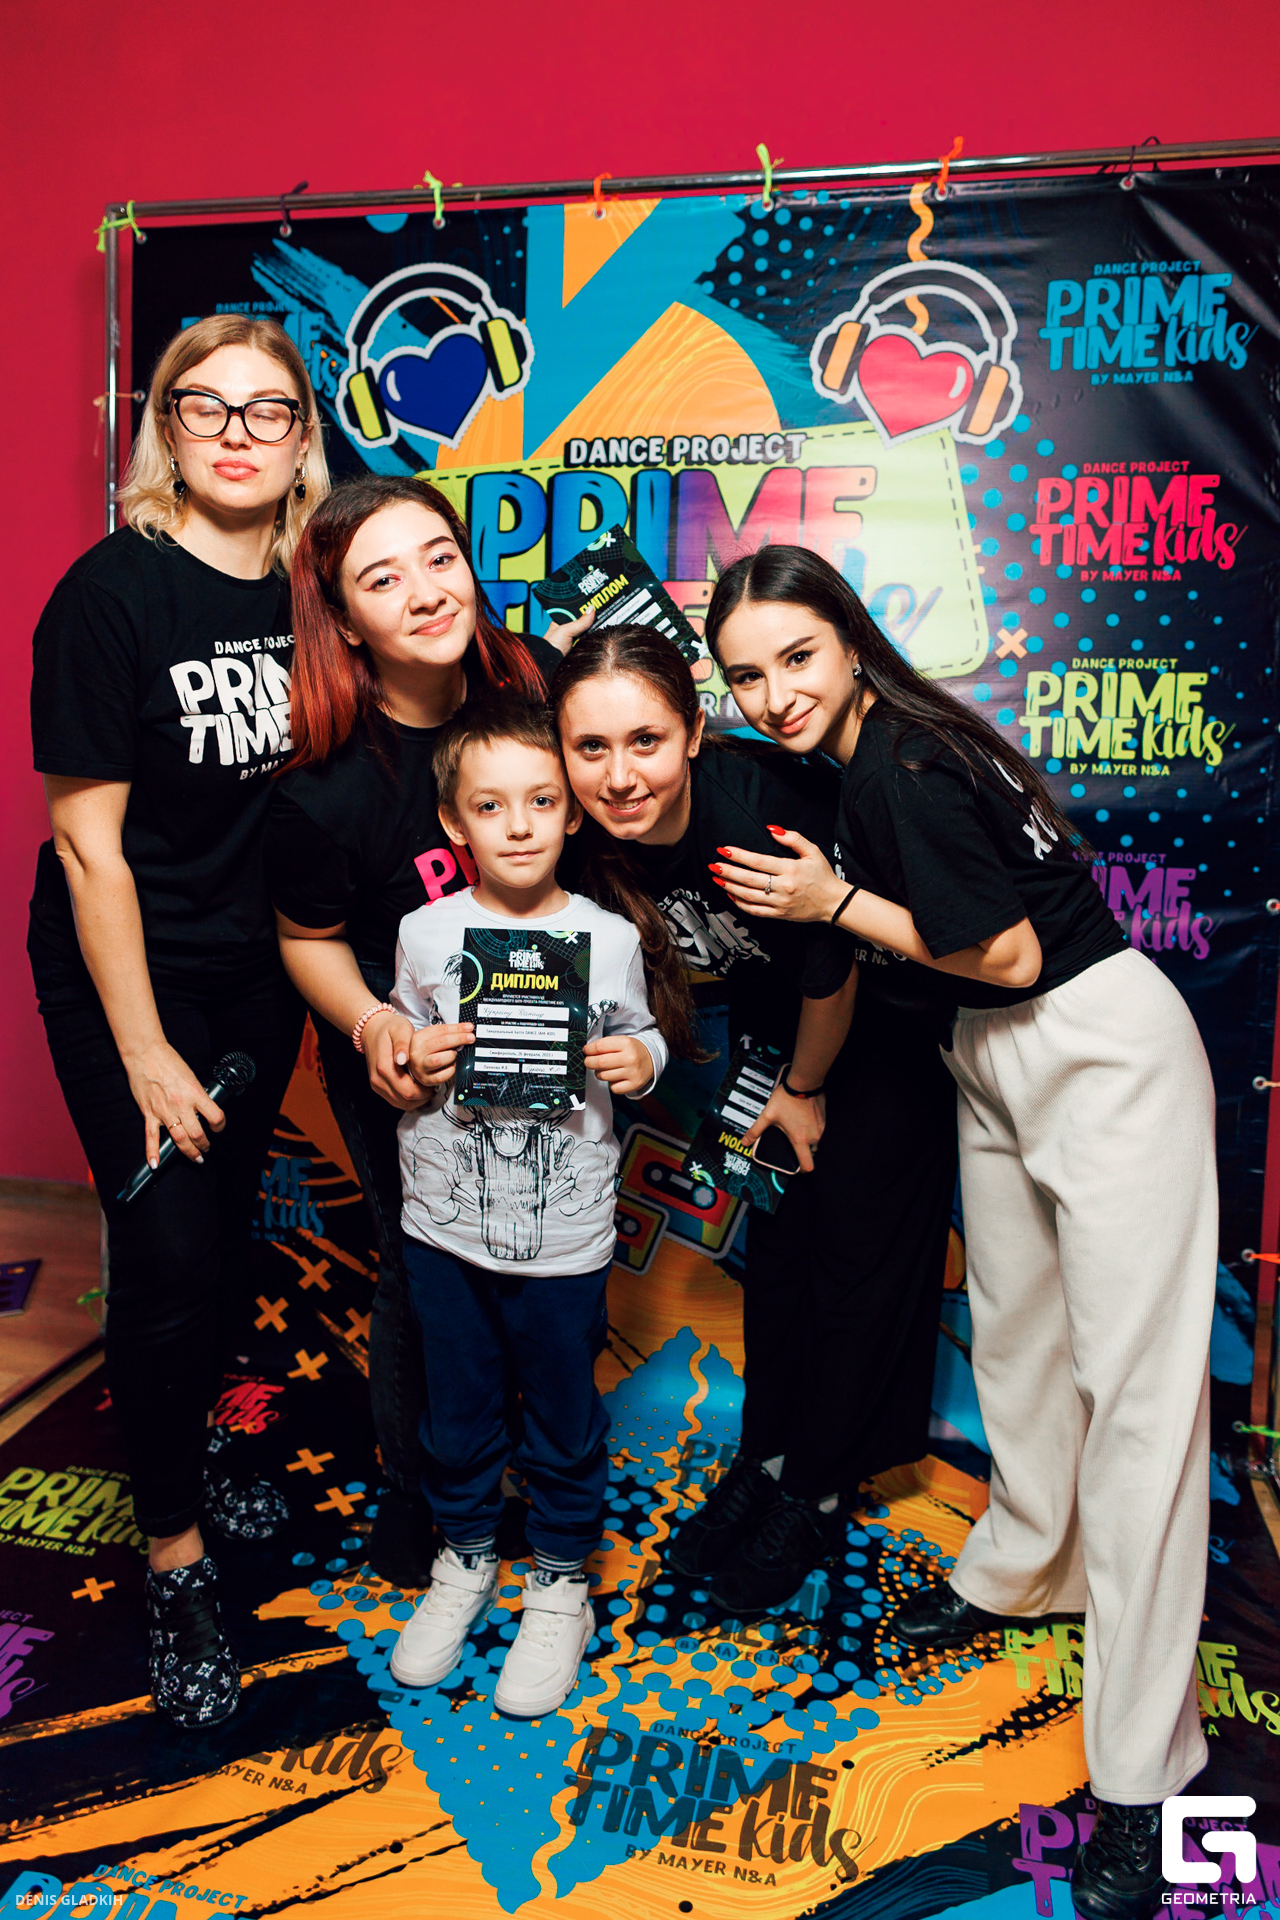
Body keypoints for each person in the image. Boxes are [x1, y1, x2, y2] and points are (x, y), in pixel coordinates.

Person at [704, 544, 1216, 1920]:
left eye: (796, 658)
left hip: (1091, 1045)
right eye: (747, 675)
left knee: (1138, 1407)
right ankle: (1028, 1569)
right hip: (992, 1052)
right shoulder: (881, 743)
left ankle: (1144, 1773)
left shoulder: (901, 765)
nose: (775, 694)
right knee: (1019, 1341)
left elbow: (1008, 952)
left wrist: (830, 902)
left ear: (848, 639)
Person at [28, 314, 330, 1729]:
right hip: (124, 974)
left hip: (254, 969)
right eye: (201, 405)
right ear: (163, 425)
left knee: (221, 1238)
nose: (234, 433)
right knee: (161, 1257)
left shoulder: (316, 590)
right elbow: (88, 850)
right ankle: (173, 1559)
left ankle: (196, 1437)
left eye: (266, 409)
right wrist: (144, 1048)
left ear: (301, 436)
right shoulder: (109, 596)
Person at [551, 626, 959, 1616]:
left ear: (694, 733)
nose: (618, 775)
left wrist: (804, 1089)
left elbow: (833, 973)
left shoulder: (744, 823)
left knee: (854, 1271)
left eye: (645, 741)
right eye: (590, 747)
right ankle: (769, 1459)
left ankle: (817, 1490)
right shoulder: (595, 832)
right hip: (780, 1043)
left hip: (880, 1035)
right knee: (777, 1260)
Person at [265, 475, 583, 1587]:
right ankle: (420, 1492)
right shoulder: (327, 786)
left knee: (545, 1257)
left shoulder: (534, 685)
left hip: (557, 1039)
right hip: (405, 1059)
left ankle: (540, 1478)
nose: (428, 590)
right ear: (346, 621)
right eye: (384, 577)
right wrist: (373, 1028)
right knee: (422, 1269)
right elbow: (307, 938)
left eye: (440, 556)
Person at [385, 699, 668, 1716]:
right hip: (444, 1225)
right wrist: (411, 1058)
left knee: (561, 1411)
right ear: (453, 821)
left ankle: (559, 1581)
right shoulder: (424, 933)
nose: (518, 826)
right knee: (456, 1407)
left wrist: (641, 1060)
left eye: (542, 801)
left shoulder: (608, 938)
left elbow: (645, 1035)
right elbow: (398, 1051)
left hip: (565, 1234)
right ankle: (463, 1556)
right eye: (491, 805)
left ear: (572, 813)